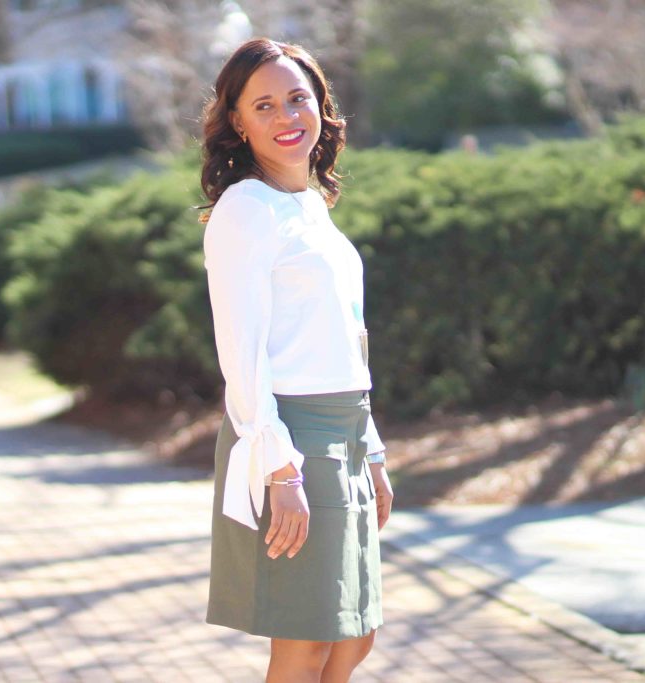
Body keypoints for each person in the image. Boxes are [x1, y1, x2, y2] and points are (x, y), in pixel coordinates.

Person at [199, 38, 394, 683]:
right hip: (290, 437)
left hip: (344, 434)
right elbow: (241, 352)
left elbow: (345, 338)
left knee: (355, 634)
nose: (287, 117)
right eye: (265, 105)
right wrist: (280, 469)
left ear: (320, 107)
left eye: (297, 99)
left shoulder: (309, 207)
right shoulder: (245, 210)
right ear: (238, 122)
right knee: (308, 639)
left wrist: (373, 450)